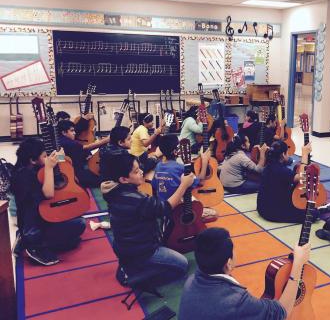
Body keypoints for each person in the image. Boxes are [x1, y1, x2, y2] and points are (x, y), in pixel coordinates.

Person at [178, 227, 311, 320]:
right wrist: (298, 265)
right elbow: (282, 312)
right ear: (228, 264)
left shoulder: (191, 280)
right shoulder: (236, 300)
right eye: (234, 248)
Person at [101, 153, 194, 286]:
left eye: (139, 168)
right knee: (182, 265)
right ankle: (139, 275)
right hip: (142, 250)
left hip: (125, 246)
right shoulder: (136, 200)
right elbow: (165, 208)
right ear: (123, 179)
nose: (141, 172)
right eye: (136, 171)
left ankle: (130, 266)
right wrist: (183, 185)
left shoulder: (113, 190)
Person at [10, 138, 86, 266]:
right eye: (45, 156)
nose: (48, 158)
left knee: (77, 221)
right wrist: (49, 167)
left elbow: (62, 163)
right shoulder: (24, 177)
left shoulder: (32, 167)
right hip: (34, 225)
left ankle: (27, 239)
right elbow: (49, 194)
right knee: (79, 226)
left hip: (43, 215)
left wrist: (61, 155)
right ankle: (32, 244)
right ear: (33, 160)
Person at [151, 135, 217, 221]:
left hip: (163, 207)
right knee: (214, 214)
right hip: (178, 210)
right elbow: (201, 182)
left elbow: (155, 185)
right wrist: (204, 161)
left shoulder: (158, 166)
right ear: (176, 151)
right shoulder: (180, 168)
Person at [257, 141, 320, 223]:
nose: (289, 155)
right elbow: (302, 177)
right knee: (314, 213)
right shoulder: (281, 170)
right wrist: (304, 154)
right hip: (272, 213)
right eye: (287, 153)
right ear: (283, 154)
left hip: (262, 208)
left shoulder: (269, 165)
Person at [57, 120, 109, 188]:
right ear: (64, 132)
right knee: (102, 180)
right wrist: (103, 141)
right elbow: (85, 149)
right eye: (72, 131)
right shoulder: (71, 144)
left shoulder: (59, 141)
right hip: (74, 173)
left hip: (66, 171)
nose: (74, 133)